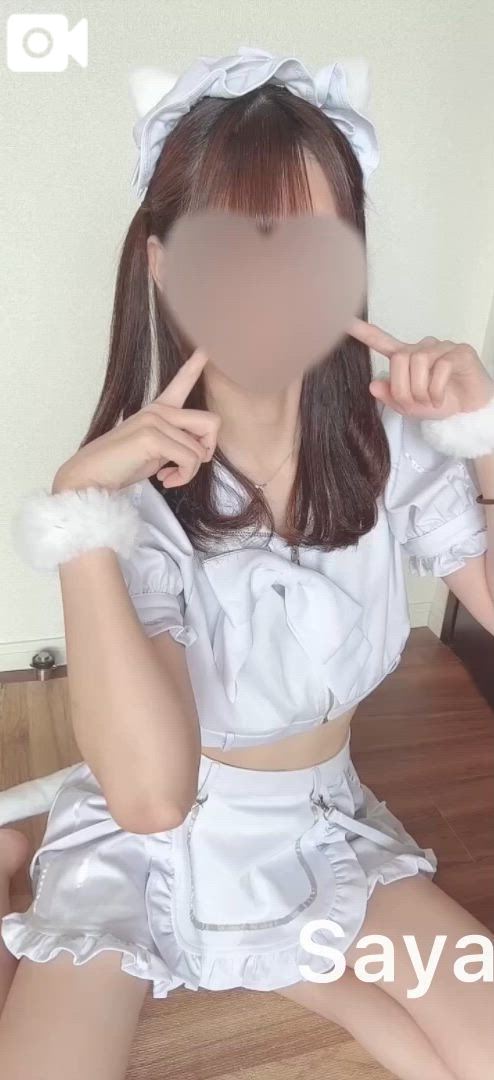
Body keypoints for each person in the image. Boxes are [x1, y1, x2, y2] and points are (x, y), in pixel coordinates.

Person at [1, 46, 494, 1080]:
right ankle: (40, 848)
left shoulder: (391, 445)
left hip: (323, 838)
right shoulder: (137, 495)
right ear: (163, 267)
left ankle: (286, 951)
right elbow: (151, 799)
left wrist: (482, 437)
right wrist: (81, 513)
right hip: (140, 855)